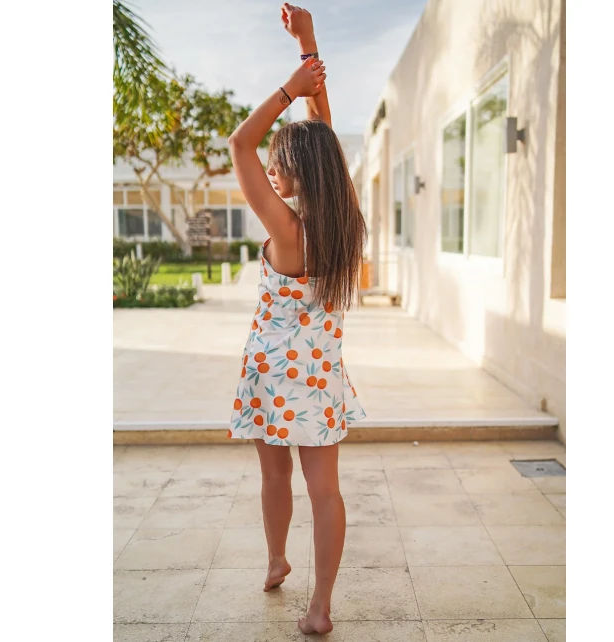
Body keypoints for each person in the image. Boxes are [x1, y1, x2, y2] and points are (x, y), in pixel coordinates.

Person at [227, 3, 367, 636]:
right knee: (326, 492)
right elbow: (324, 139)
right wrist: (308, 46)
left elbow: (239, 142)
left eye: (279, 162)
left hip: (270, 375)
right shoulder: (343, 223)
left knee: (274, 473)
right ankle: (320, 606)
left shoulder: (286, 230)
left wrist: (289, 88)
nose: (271, 169)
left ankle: (277, 558)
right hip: (320, 379)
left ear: (300, 171)